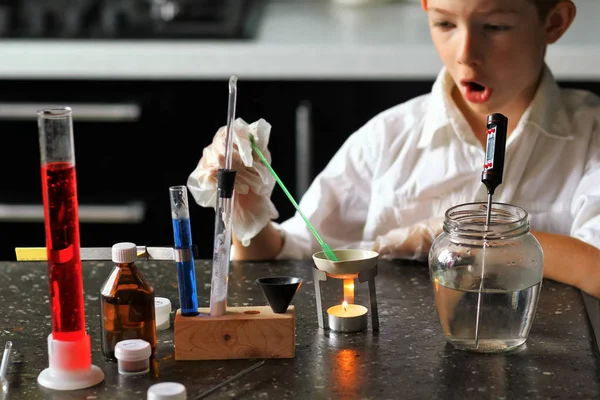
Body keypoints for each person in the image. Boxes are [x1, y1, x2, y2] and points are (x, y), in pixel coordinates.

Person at [188, 0, 600, 298]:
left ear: (555, 22)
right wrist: (245, 207)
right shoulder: (388, 137)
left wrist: (461, 240)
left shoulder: (591, 137)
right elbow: (289, 256)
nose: (466, 54)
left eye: (495, 27)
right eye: (444, 24)